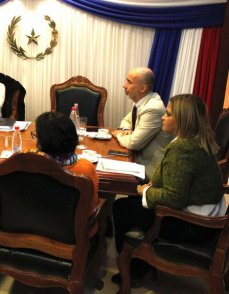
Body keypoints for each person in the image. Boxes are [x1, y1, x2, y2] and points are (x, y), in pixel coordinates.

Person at [112, 94, 225, 285]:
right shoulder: (199, 140)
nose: (163, 117)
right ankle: (139, 260)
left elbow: (174, 198)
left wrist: (144, 191)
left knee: (121, 207)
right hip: (206, 216)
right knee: (131, 203)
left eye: (168, 114)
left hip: (192, 225)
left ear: (183, 120)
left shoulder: (183, 148)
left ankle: (135, 264)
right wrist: (152, 186)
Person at [35, 111, 99, 237]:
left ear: (42, 143)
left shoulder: (32, 165)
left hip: (36, 231)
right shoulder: (85, 169)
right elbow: (90, 206)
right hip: (73, 237)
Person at [112, 67, 173, 182]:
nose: (124, 85)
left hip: (149, 167)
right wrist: (126, 129)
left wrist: (119, 134)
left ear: (143, 88)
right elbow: (126, 120)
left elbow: (133, 143)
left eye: (129, 82)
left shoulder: (152, 108)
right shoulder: (141, 101)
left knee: (108, 177)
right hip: (137, 157)